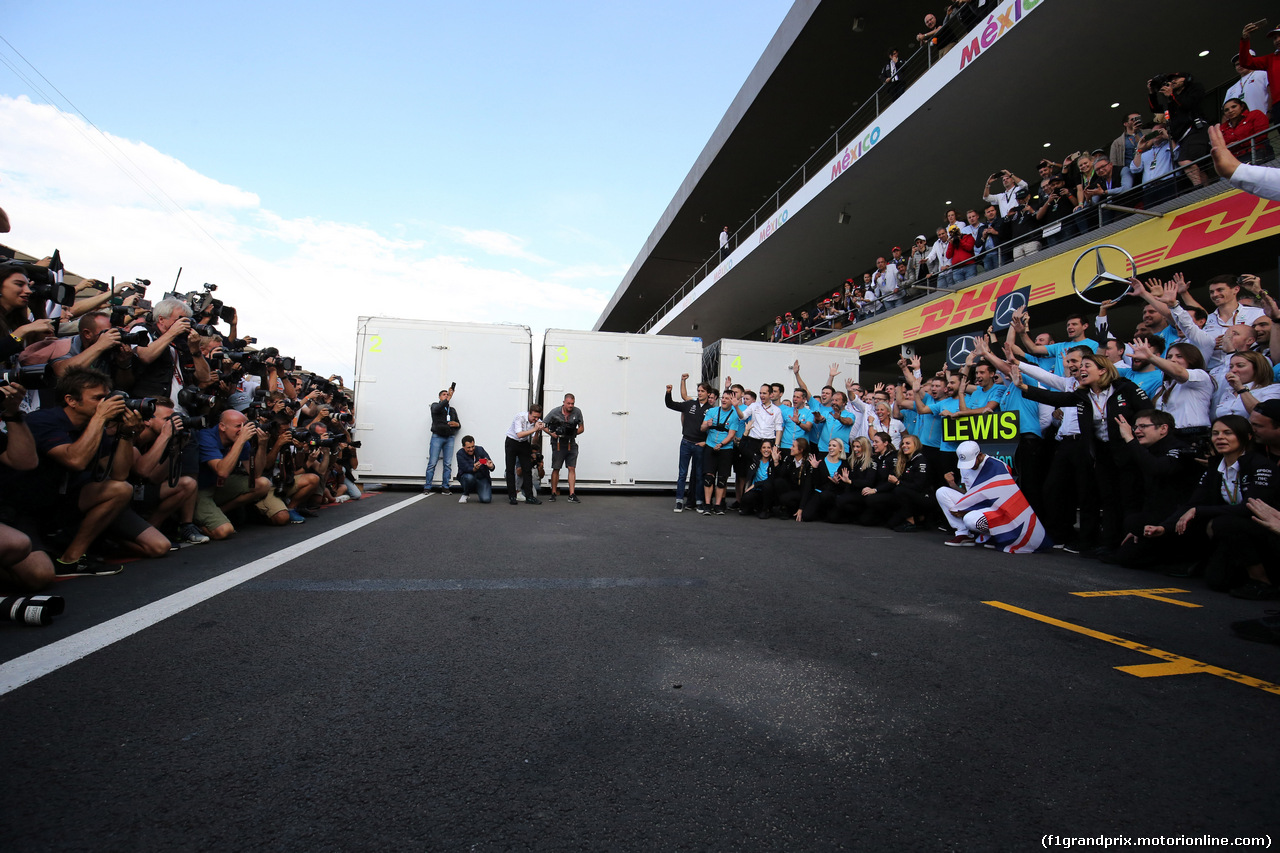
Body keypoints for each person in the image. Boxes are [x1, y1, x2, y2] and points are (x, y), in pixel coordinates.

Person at [935, 440, 1049, 552]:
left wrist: (965, 509)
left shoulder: (997, 467)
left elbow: (1001, 502)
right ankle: (964, 534)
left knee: (970, 519)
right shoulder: (965, 467)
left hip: (997, 510)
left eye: (971, 462)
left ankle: (997, 535)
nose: (969, 466)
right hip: (976, 506)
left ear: (979, 456)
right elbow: (968, 493)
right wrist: (953, 485)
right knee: (942, 492)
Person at [194, 409, 276, 539]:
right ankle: (196, 524)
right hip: (200, 489)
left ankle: (222, 511)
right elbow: (222, 472)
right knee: (224, 531)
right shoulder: (206, 437)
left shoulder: (240, 440)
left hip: (220, 486)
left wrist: (262, 445)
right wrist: (241, 440)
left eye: (244, 426)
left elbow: (255, 474)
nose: (242, 430)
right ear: (222, 426)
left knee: (263, 484)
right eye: (238, 426)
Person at [666, 375, 711, 512]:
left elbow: (716, 431)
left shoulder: (712, 409)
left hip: (699, 445)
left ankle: (699, 502)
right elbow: (671, 404)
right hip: (686, 442)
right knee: (682, 474)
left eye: (702, 391)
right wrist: (668, 393)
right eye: (698, 390)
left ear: (708, 394)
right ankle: (679, 501)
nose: (699, 393)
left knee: (698, 474)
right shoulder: (690, 404)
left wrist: (706, 442)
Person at [699, 392, 741, 515]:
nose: (724, 400)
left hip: (725, 449)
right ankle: (707, 504)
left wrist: (721, 444)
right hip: (710, 446)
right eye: (723, 398)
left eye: (727, 398)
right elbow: (702, 428)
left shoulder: (734, 416)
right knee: (708, 477)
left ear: (731, 401)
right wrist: (707, 425)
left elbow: (731, 434)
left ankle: (718, 505)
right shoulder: (712, 411)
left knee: (722, 479)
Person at [542, 393, 584, 503]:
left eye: (572, 403)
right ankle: (553, 492)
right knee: (556, 467)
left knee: (571, 468)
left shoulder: (577, 412)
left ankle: (572, 494)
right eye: (569, 403)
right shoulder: (555, 412)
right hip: (558, 443)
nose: (571, 406)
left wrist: (573, 432)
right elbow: (543, 425)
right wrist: (552, 434)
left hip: (571, 442)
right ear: (564, 402)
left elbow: (582, 428)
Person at [504, 404, 545, 505]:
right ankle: (512, 496)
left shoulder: (537, 422)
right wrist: (534, 429)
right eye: (534, 417)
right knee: (510, 469)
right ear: (529, 413)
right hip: (512, 441)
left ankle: (529, 497)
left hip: (524, 443)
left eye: (537, 417)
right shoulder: (520, 417)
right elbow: (519, 434)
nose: (535, 419)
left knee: (527, 469)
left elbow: (534, 442)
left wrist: (538, 432)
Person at [425, 385, 461, 495]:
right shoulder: (435, 406)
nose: (446, 396)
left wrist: (457, 424)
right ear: (439, 397)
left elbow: (459, 424)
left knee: (447, 464)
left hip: (449, 438)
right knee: (432, 462)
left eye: (447, 394)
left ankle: (445, 487)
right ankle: (427, 487)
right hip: (437, 437)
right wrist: (448, 398)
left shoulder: (452, 410)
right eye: (444, 395)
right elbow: (437, 409)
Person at [455, 435, 495, 504]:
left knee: (486, 499)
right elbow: (465, 468)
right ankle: (466, 493)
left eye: (473, 446)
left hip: (482, 477)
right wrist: (474, 468)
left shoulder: (480, 450)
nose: (471, 449)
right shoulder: (460, 453)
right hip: (468, 476)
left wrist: (491, 466)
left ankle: (479, 489)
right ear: (463, 447)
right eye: (468, 447)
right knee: (469, 477)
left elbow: (490, 463)